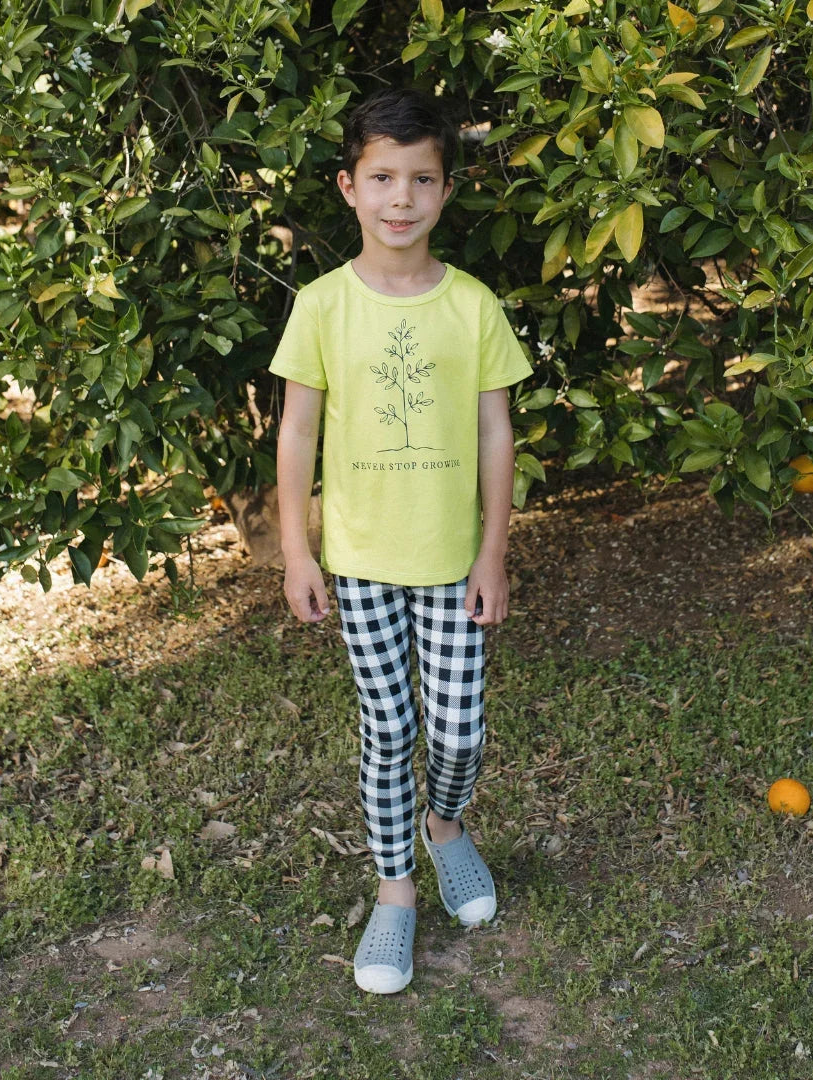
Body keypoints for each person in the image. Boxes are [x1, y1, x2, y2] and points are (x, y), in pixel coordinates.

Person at [269, 87, 532, 995]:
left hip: (452, 561)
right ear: (349, 187)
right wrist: (297, 551)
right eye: (382, 177)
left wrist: (493, 549)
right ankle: (395, 895)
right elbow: (298, 433)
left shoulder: (473, 306)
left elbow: (496, 432)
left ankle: (447, 826)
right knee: (390, 731)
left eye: (421, 179)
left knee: (457, 734)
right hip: (362, 563)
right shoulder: (322, 306)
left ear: (445, 191)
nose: (401, 199)